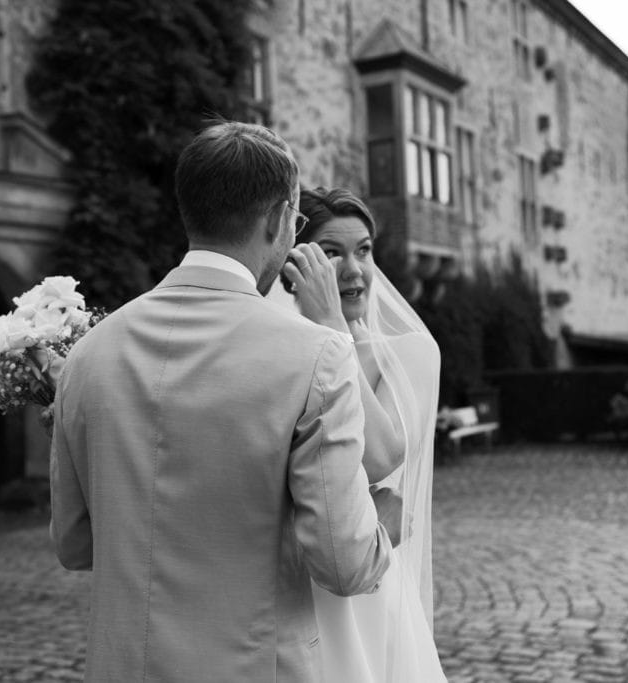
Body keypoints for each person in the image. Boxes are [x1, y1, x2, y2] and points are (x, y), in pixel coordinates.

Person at [49, 122, 394, 682]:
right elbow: (344, 564)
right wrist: (382, 524)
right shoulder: (317, 355)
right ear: (279, 218)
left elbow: (73, 543)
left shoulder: (88, 354)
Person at [269, 187, 446, 681]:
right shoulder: (275, 350)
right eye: (331, 253)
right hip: (284, 579)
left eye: (363, 250)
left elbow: (381, 456)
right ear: (294, 265)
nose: (354, 270)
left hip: (364, 583)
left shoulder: (411, 352)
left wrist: (331, 325)